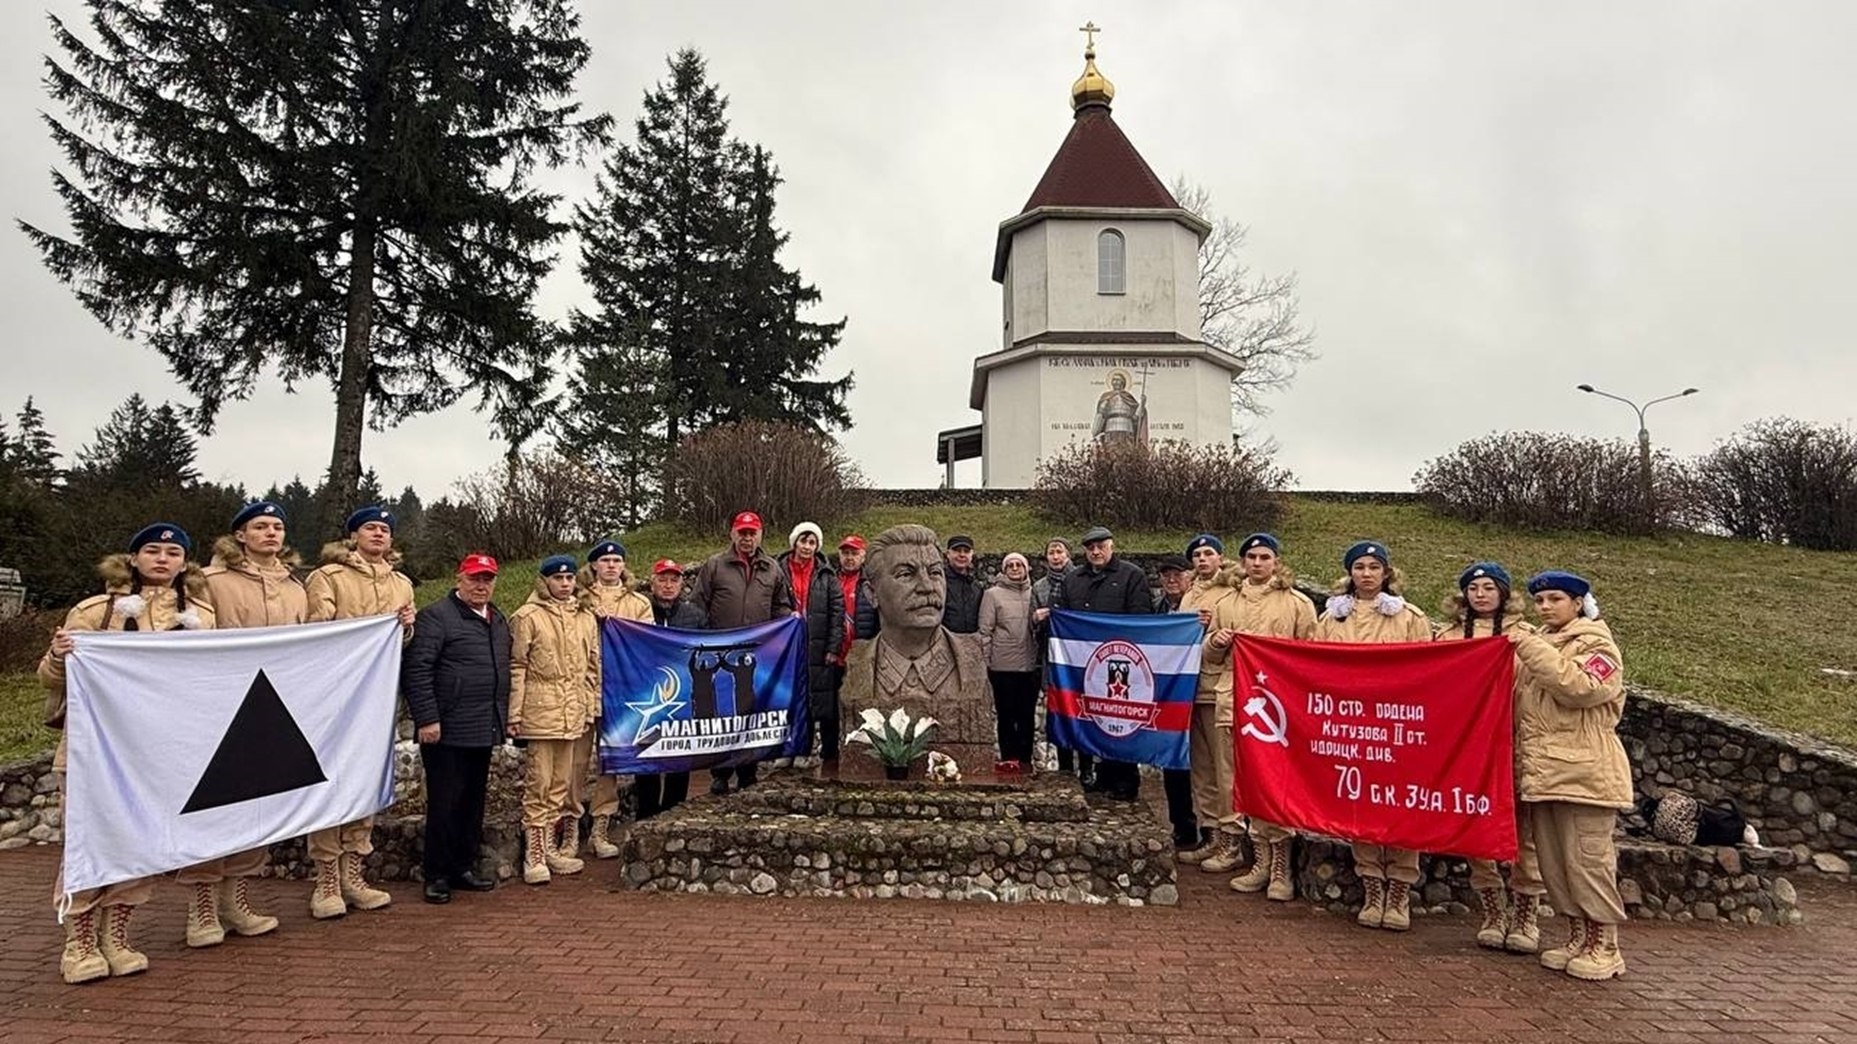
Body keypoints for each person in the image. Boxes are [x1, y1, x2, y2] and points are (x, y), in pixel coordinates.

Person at [40, 523, 215, 983]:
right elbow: (50, 678)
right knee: (89, 840)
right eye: (152, 551)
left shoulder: (200, 615)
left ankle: (117, 935)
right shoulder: (97, 610)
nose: (162, 559)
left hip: (159, 751)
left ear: (184, 563)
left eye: (173, 553)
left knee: (141, 842)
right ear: (133, 558)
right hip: (94, 750)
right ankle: (79, 941)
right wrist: (58, 655)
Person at [176, 501, 304, 948]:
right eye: (260, 526)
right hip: (220, 710)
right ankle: (202, 908)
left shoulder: (295, 587)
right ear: (240, 535)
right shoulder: (210, 582)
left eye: (277, 526)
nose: (271, 533)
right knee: (213, 809)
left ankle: (236, 901)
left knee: (256, 810)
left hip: (272, 712)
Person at [1510, 570, 1632, 981]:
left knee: (1587, 861)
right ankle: (1578, 936)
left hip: (1586, 774)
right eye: (1540, 600)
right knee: (1556, 864)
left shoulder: (1597, 644)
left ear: (1578, 604)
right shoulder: (1539, 643)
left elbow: (1581, 687)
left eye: (1555, 599)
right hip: (1544, 772)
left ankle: (1606, 945)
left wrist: (1528, 645)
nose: (1545, 607)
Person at [303, 505, 415, 918]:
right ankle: (326, 880)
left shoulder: (401, 583)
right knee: (329, 783)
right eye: (370, 528)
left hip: (378, 696)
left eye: (385, 529)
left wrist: (406, 626)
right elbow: (316, 631)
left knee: (365, 783)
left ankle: (354, 873)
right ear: (353, 536)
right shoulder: (328, 577)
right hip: (334, 695)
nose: (378, 534)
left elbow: (401, 643)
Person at [1314, 540, 1431, 931]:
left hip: (1395, 725)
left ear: (1386, 572)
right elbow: (1314, 665)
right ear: (1350, 573)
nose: (1366, 574)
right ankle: (1372, 885)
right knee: (1359, 802)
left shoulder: (1410, 617)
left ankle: (1399, 887)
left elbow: (1428, 670)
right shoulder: (1331, 619)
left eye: (1374, 567)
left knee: (1400, 805)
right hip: (1349, 725)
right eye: (1359, 567)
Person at [1436, 562, 1547, 954]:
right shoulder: (1447, 636)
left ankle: (1525, 914)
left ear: (1503, 592)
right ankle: (1493, 910)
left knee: (1524, 834)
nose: (1480, 595)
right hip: (1468, 749)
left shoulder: (1527, 637)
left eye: (1488, 587)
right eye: (1473, 588)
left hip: (1514, 745)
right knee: (1475, 828)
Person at [1214, 533, 1317, 898]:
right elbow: (1210, 655)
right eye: (1252, 557)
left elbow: (1312, 654)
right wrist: (1215, 642)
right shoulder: (1226, 602)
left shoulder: (1297, 604)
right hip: (1233, 699)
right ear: (1243, 562)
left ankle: (1280, 868)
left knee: (1275, 782)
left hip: (1278, 709)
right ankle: (1258, 862)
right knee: (1236, 780)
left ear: (1276, 562)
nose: (1257, 563)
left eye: (1264, 557)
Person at [403, 553, 511, 904]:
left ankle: (462, 866)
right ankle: (436, 874)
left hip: (483, 725)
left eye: (487, 579)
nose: (481, 586)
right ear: (459, 579)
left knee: (472, 801)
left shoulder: (497, 619)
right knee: (445, 803)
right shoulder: (436, 617)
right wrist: (427, 718)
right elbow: (417, 669)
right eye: (474, 578)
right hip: (446, 728)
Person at [507, 555, 599, 885]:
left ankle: (548, 847)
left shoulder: (585, 616)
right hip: (541, 710)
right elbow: (517, 666)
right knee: (540, 782)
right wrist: (515, 713)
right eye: (558, 578)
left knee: (561, 783)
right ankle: (533, 854)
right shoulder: (527, 616)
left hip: (573, 712)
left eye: (569, 578)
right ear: (545, 581)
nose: (565, 584)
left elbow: (592, 667)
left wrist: (590, 706)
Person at [692, 511, 794, 794]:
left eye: (752, 533)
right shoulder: (714, 566)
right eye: (742, 533)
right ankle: (720, 772)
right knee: (723, 713)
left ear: (760, 535)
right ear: (733, 534)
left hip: (757, 655)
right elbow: (698, 605)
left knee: (751, 712)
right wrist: (705, 640)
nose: (747, 538)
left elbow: (781, 606)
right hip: (720, 652)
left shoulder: (772, 569)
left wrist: (785, 627)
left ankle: (748, 771)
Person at [1052, 526, 1154, 801]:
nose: (1096, 552)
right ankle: (1102, 776)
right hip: (1087, 662)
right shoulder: (1073, 579)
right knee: (1095, 719)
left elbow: (1141, 617)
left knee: (1122, 720)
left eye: (1101, 547)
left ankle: (1126, 780)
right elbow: (1066, 617)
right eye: (1091, 548)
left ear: (1111, 547)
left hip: (1121, 661)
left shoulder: (1132, 575)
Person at [576, 539, 651, 860]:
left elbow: (647, 642)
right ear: (594, 565)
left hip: (619, 691)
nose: (611, 566)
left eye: (616, 561)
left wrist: (619, 626)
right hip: (582, 688)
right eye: (605, 561)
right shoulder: (576, 598)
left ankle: (600, 830)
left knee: (610, 764)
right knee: (575, 764)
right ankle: (568, 833)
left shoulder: (638, 603)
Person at [638, 559, 705, 818]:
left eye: (674, 580)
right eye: (662, 580)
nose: (668, 585)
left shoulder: (695, 615)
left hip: (684, 695)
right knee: (646, 754)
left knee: (680, 755)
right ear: (652, 583)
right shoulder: (639, 611)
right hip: (647, 694)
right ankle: (646, 814)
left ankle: (673, 811)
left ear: (681, 584)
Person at [780, 522, 845, 765]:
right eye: (803, 541)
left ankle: (805, 750)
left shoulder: (827, 575)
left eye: (812, 542)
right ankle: (787, 750)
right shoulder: (778, 570)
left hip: (817, 645)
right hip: (786, 645)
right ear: (794, 543)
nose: (807, 547)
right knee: (787, 698)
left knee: (814, 700)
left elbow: (837, 613)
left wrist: (832, 648)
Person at [977, 552, 1038, 764]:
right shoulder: (992, 595)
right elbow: (985, 631)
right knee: (1006, 717)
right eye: (1010, 565)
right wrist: (987, 662)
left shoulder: (1035, 593)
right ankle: (1008, 760)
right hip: (1002, 666)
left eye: (1018, 564)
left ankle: (1025, 761)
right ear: (1004, 570)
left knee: (1027, 717)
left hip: (1030, 665)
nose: (1014, 568)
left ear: (1026, 568)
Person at [1032, 538, 1084, 780]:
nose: (1055, 556)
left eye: (1059, 551)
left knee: (1082, 712)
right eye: (1051, 552)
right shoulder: (1039, 587)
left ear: (1068, 555)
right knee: (1060, 711)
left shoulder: (1081, 580)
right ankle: (1065, 768)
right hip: (1053, 657)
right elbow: (1032, 627)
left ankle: (1086, 767)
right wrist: (1037, 619)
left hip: (1080, 656)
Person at [941, 534, 987, 634]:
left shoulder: (976, 587)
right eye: (957, 550)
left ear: (971, 555)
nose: (962, 555)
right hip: (944, 640)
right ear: (948, 554)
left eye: (966, 551)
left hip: (972, 640)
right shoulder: (939, 583)